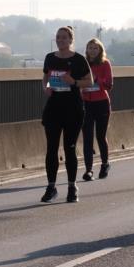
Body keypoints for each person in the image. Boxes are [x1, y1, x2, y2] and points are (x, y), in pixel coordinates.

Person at [41, 26, 92, 203]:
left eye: (64, 38)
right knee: (51, 149)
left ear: (71, 40)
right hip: (53, 108)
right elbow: (46, 77)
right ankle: (51, 186)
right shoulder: (50, 58)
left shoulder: (79, 59)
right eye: (58, 37)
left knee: (70, 148)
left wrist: (74, 82)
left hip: (73, 108)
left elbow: (89, 81)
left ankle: (72, 186)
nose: (60, 40)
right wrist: (46, 88)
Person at [81, 38, 113, 181]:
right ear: (86, 50)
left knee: (100, 136)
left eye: (95, 48)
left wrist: (97, 80)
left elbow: (109, 85)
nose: (92, 51)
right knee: (87, 138)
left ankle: (105, 164)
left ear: (100, 50)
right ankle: (88, 170)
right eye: (90, 48)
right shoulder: (82, 64)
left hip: (101, 103)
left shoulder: (105, 64)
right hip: (86, 103)